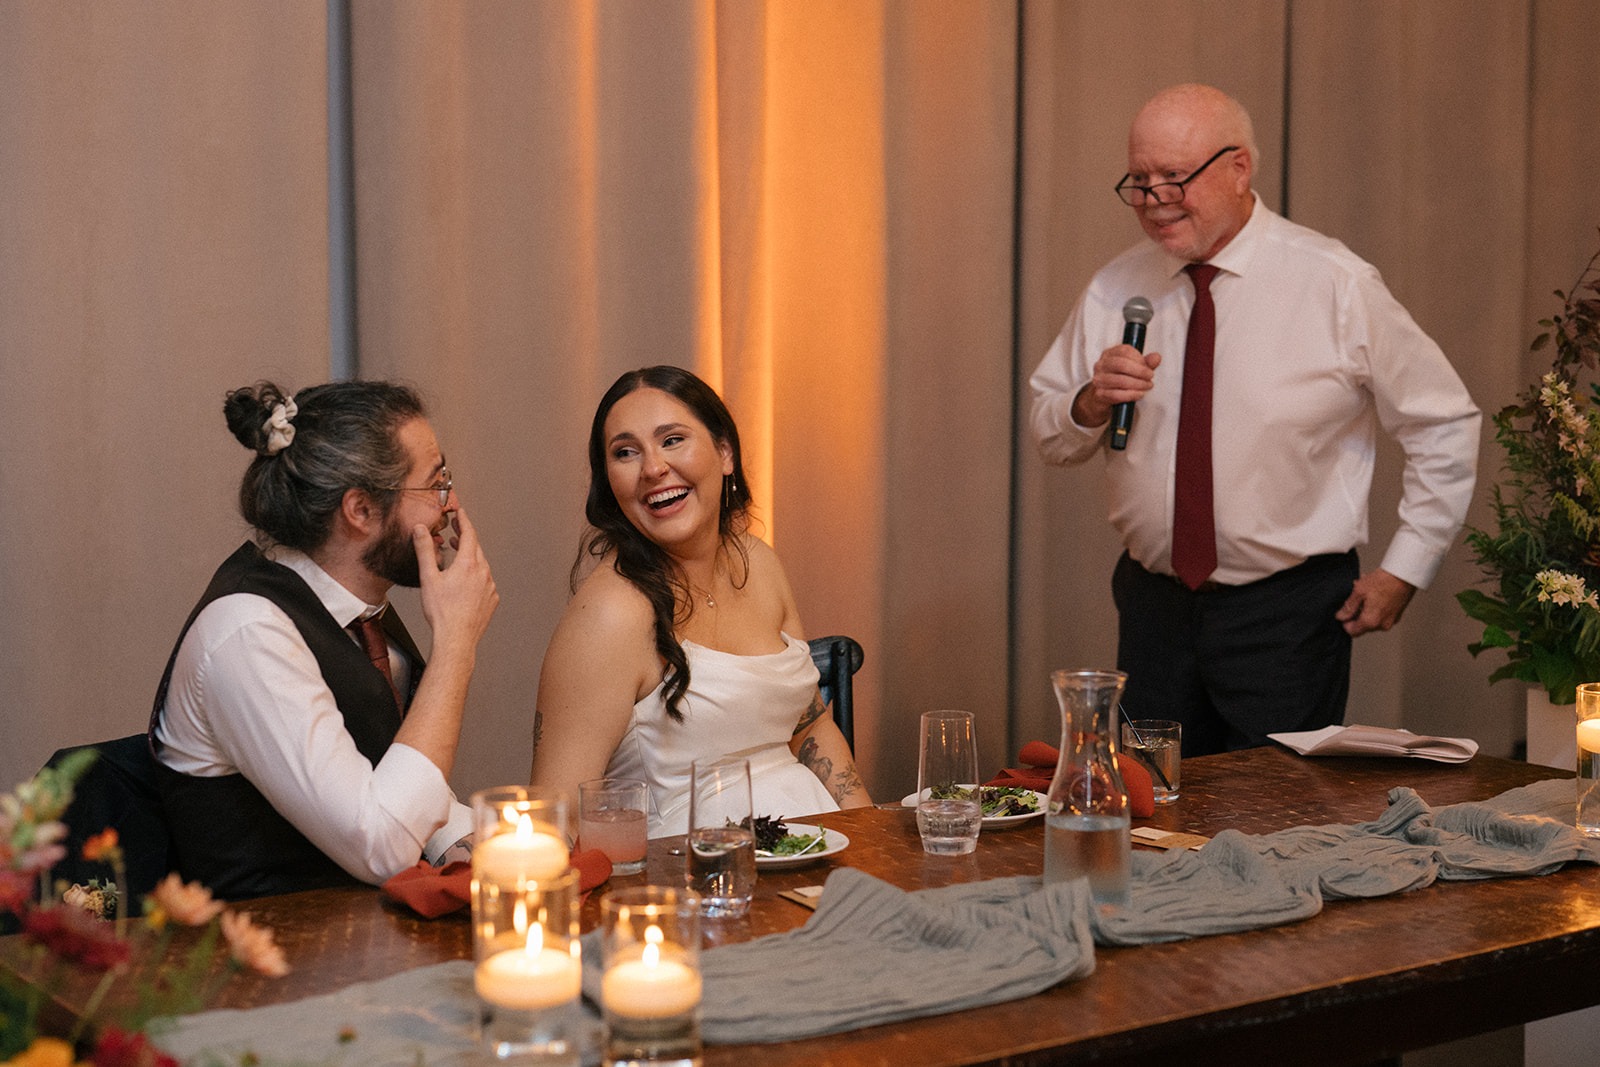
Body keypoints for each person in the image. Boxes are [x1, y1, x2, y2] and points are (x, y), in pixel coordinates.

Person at [1029, 84, 1480, 755]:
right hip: (1154, 610)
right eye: (1139, 180)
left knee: (1276, 827)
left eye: (1174, 178)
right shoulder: (1116, 286)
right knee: (1157, 822)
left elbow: (1443, 422)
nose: (1155, 201)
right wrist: (1088, 402)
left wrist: (1404, 568)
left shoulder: (1335, 282)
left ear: (1239, 168)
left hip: (1287, 616)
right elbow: (1049, 431)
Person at [149, 380, 499, 899]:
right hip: (270, 961)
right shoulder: (250, 632)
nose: (450, 504)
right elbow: (380, 847)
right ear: (360, 511)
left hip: (364, 947)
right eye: (435, 484)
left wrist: (472, 837)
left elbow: (383, 768)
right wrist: (456, 647)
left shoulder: (356, 611)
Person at [532, 366, 870, 836]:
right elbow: (556, 818)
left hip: (821, 858)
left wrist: (869, 840)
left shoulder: (759, 561)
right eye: (625, 453)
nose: (652, 468)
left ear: (725, 452)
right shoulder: (611, 613)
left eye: (672, 440)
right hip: (700, 887)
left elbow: (810, 727)